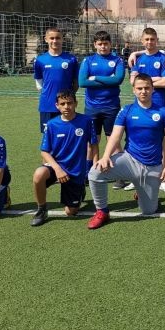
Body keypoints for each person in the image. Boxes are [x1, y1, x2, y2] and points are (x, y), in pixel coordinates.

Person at [86, 74, 165, 230]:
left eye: (147, 88)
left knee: (148, 211)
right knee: (95, 172)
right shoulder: (126, 111)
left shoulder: (163, 112)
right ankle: (102, 211)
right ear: (133, 90)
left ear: (153, 89)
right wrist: (105, 156)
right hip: (129, 160)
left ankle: (142, 193)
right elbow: (115, 136)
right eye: (139, 88)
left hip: (152, 166)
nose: (143, 91)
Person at [31, 90, 99, 227]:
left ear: (76, 103)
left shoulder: (86, 121)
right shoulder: (51, 124)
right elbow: (44, 152)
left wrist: (95, 166)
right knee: (38, 174)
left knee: (70, 212)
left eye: (69, 103)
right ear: (57, 105)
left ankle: (80, 189)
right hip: (56, 166)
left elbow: (93, 145)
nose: (66, 106)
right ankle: (42, 209)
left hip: (75, 170)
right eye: (62, 104)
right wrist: (57, 169)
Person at [128, 27, 165, 192]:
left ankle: (164, 178)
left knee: (162, 140)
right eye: (146, 39)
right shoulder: (138, 59)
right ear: (142, 41)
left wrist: (144, 80)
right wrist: (155, 79)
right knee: (138, 138)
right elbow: (132, 82)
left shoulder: (163, 59)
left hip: (159, 105)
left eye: (152, 39)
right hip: (139, 105)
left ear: (157, 40)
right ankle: (136, 177)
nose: (149, 42)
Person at [78, 30, 125, 144]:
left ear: (110, 44)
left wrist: (95, 77)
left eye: (105, 43)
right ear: (95, 44)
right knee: (92, 143)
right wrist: (109, 80)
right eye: (100, 44)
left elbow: (118, 80)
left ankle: (112, 158)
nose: (103, 46)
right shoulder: (88, 61)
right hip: (92, 107)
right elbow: (82, 82)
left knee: (113, 142)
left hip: (112, 106)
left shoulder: (118, 60)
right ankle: (92, 158)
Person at [34, 27, 78, 132]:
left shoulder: (71, 59)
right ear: (46, 39)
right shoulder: (40, 60)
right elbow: (39, 83)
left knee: (67, 134)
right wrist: (48, 95)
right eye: (52, 38)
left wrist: (67, 97)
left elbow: (76, 83)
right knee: (48, 136)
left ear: (62, 39)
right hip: (47, 105)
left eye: (58, 38)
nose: (55, 41)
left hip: (66, 105)